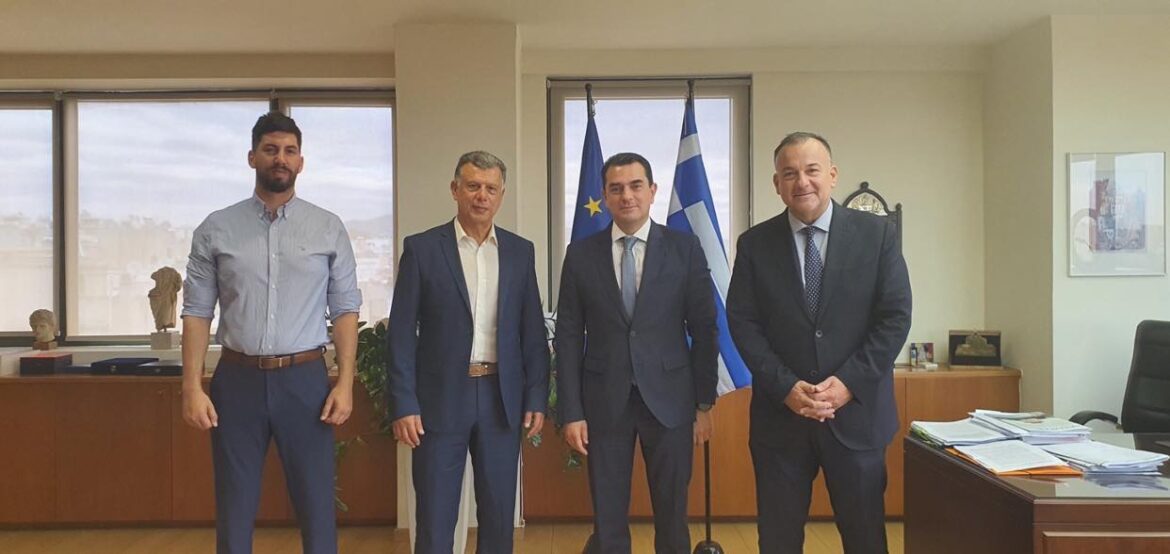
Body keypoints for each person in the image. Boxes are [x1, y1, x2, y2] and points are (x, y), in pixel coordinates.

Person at [180, 112, 362, 554]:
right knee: (235, 505)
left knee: (316, 505)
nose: (280, 158)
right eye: (270, 149)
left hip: (305, 383)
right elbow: (197, 312)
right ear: (252, 157)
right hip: (237, 382)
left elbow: (345, 309)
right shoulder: (216, 228)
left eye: (289, 151)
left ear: (301, 162)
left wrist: (345, 383)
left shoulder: (328, 227)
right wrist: (191, 387)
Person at [726, 132, 912, 554]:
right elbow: (744, 323)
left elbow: (894, 317)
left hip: (857, 417)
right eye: (789, 173)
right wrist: (785, 387)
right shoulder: (754, 244)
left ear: (832, 175)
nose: (802, 182)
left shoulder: (876, 235)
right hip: (781, 421)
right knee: (778, 540)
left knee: (865, 539)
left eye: (812, 170)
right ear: (777, 183)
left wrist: (847, 384)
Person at [386, 151, 549, 554]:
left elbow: (532, 331)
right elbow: (401, 334)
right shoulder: (423, 249)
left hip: (500, 399)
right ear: (455, 189)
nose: (482, 196)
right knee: (435, 518)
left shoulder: (519, 251)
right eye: (473, 186)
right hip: (441, 400)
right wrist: (404, 403)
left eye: (491, 188)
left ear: (501, 195)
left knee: (498, 517)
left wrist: (536, 396)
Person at [555, 152, 718, 554]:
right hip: (604, 401)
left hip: (672, 401)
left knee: (673, 513)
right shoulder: (580, 254)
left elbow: (704, 329)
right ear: (604, 196)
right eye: (616, 188)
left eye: (635, 186)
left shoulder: (684, 248)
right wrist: (571, 411)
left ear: (652, 191)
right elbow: (569, 336)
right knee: (607, 516)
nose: (626, 195)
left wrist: (704, 404)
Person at [148, 266, 183, 331]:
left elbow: (153, 275)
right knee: (164, 314)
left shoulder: (161, 273)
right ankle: (162, 325)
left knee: (163, 314)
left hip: (164, 297)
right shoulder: (174, 274)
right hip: (166, 297)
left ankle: (162, 325)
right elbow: (179, 286)